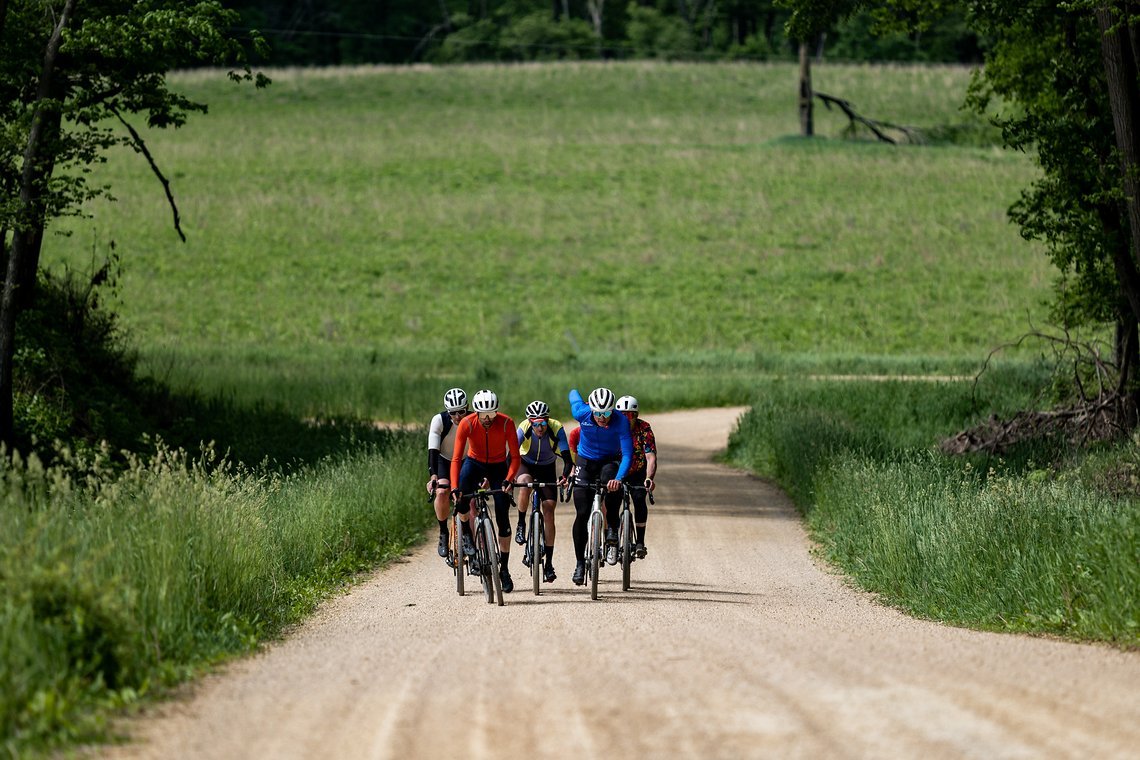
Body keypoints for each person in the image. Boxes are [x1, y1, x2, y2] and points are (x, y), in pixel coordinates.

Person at [450, 389, 522, 593]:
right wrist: (454, 487)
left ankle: (505, 569)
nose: (487, 419)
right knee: (462, 497)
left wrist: (508, 479)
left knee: (502, 515)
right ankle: (466, 534)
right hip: (474, 463)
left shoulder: (507, 423)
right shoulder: (467, 423)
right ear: (476, 413)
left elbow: (515, 458)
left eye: (491, 414)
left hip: (499, 466)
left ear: (497, 412)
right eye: (483, 415)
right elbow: (456, 459)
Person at [567, 386, 633, 586]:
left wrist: (619, 478)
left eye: (606, 413)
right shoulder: (582, 412)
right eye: (598, 413)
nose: (602, 417)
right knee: (582, 512)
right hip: (585, 462)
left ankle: (612, 526)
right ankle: (580, 563)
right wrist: (576, 392)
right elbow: (573, 395)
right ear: (591, 409)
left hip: (609, 461)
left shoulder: (621, 421)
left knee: (612, 485)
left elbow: (628, 454)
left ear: (613, 410)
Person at [513, 400, 574, 583]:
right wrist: (508, 477)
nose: (540, 428)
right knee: (525, 484)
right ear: (531, 422)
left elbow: (567, 459)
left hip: (547, 467)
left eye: (543, 423)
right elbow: (512, 455)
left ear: (548, 420)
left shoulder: (557, 428)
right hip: (526, 464)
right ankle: (522, 523)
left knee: (549, 511)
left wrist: (563, 476)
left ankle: (548, 563)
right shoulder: (524, 428)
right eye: (536, 424)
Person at [426, 388, 467, 560]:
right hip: (445, 460)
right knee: (442, 491)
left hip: (466, 460)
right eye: (453, 413)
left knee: (469, 499)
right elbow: (433, 452)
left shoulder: (474, 420)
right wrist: (433, 476)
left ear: (468, 408)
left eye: (462, 412)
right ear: (447, 411)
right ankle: (443, 532)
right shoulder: (439, 420)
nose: (458, 416)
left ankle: (470, 535)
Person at [615, 395, 656, 559]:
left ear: (636, 415)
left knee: (639, 498)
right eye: (623, 415)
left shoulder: (644, 428)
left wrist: (649, 478)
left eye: (630, 415)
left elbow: (651, 457)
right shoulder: (612, 427)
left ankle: (640, 541)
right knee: (610, 500)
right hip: (616, 471)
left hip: (638, 471)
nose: (627, 419)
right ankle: (609, 538)